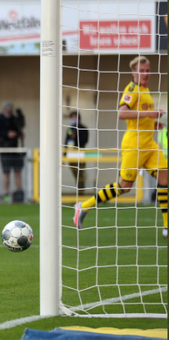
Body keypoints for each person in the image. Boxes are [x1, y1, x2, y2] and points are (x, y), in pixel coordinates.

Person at [74, 56, 167, 239]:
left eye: (148, 70)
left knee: (164, 176)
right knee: (125, 187)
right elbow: (122, 113)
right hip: (134, 145)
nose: (146, 74)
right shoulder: (131, 89)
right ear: (134, 72)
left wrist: (153, 123)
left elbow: (139, 118)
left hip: (150, 144)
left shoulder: (145, 89)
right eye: (142, 71)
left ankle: (166, 225)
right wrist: (150, 113)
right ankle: (83, 206)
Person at [0, 101, 26, 203]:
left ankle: (19, 193)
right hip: (4, 149)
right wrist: (7, 134)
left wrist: (19, 134)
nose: (9, 112)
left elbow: (19, 128)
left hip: (15, 149)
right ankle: (6, 194)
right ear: (4, 109)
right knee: (6, 173)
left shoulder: (14, 119)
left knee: (17, 171)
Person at [64, 111, 89, 191]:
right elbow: (66, 142)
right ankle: (78, 192)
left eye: (75, 117)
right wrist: (64, 155)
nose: (73, 119)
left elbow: (85, 140)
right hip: (71, 154)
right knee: (75, 174)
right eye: (72, 117)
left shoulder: (83, 128)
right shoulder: (70, 129)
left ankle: (81, 193)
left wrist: (76, 137)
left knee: (80, 174)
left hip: (80, 153)